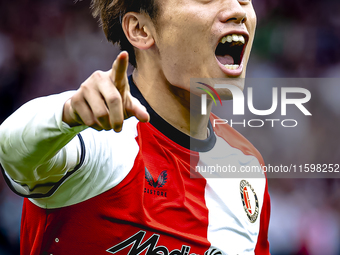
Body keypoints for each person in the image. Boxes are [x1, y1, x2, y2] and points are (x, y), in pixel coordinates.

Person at [0, 0, 270, 254]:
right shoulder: (93, 134)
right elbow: (10, 149)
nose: (238, 10)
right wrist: (66, 114)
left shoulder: (247, 167)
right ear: (140, 30)